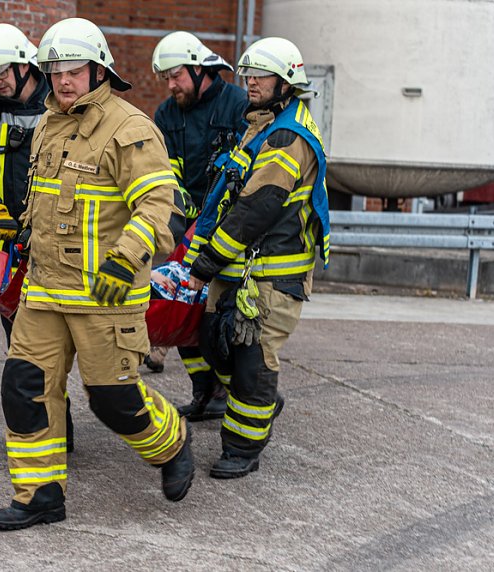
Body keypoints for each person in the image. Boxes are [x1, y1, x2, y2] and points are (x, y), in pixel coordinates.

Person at [0, 17, 194, 531]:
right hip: (45, 292)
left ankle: (172, 444)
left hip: (106, 295)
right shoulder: (48, 124)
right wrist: (22, 235)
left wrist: (126, 258)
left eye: (73, 71)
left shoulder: (130, 128)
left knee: (113, 399)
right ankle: (40, 496)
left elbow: (157, 206)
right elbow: (45, 202)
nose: (62, 81)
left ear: (99, 69)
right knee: (25, 387)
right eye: (54, 71)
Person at [186, 37, 331, 479]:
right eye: (247, 73)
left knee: (251, 360)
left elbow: (256, 209)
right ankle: (263, 403)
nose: (250, 81)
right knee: (215, 342)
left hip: (271, 278)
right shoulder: (264, 123)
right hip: (244, 270)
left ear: (285, 81)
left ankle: (242, 448)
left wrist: (205, 264)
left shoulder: (287, 136)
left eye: (261, 75)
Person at [0, 23, 74, 451]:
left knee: (66, 336)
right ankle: (53, 426)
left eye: (2, 70)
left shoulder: (60, 103)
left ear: (25, 63)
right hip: (7, 243)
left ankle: (57, 418)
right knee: (20, 338)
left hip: (59, 240)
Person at [148, 31, 249, 422]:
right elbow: (166, 176)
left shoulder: (238, 105)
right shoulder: (166, 115)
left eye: (176, 76)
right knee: (181, 311)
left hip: (228, 232)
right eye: (166, 79)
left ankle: (237, 392)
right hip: (186, 230)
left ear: (199, 68)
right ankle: (204, 392)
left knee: (219, 319)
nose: (171, 85)